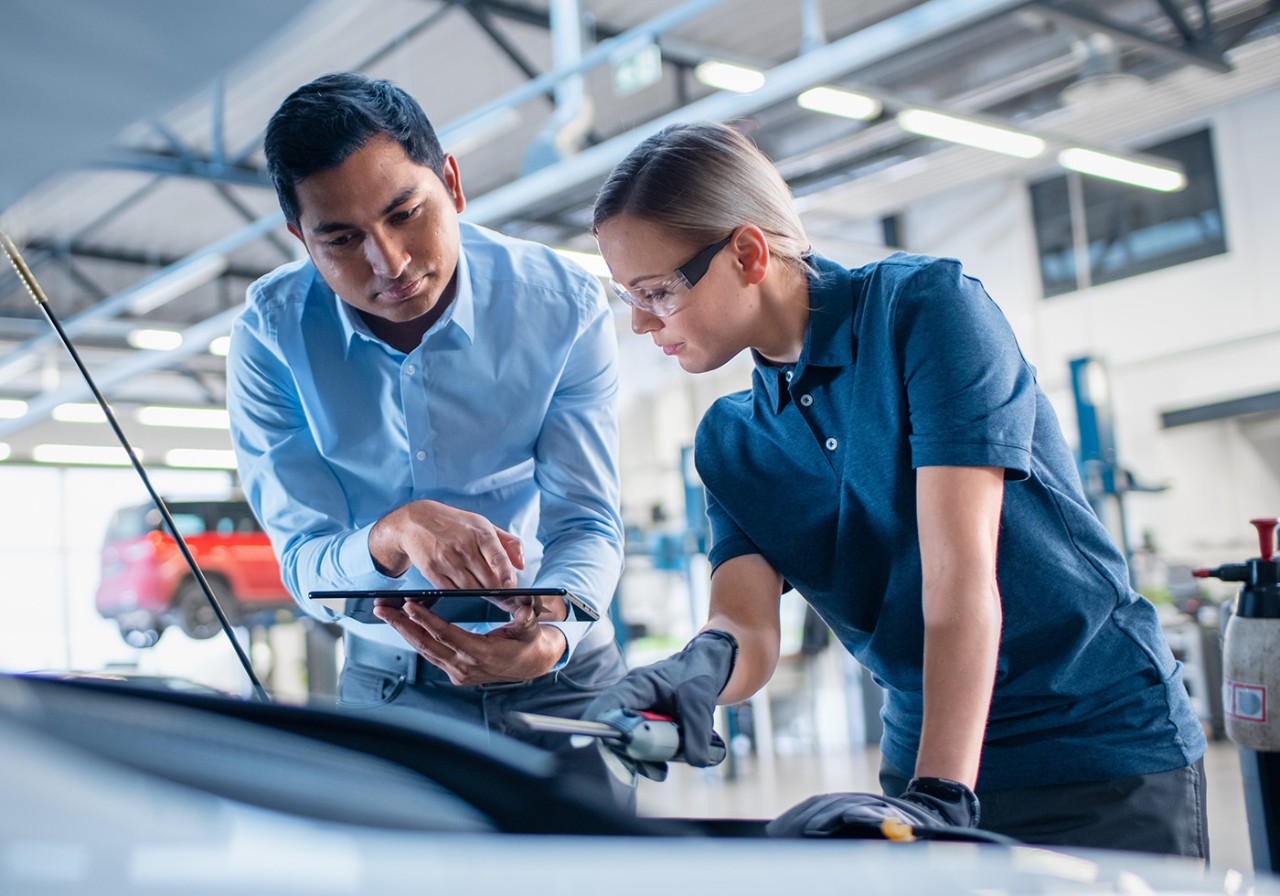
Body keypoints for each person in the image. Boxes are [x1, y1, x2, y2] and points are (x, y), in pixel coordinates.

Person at [586, 120, 1208, 856]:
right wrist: (693, 671)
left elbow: (957, 577)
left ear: (748, 252)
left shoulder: (925, 312)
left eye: (655, 291)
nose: (638, 322)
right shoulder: (733, 441)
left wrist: (941, 794)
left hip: (1094, 753)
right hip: (921, 762)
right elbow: (747, 628)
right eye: (628, 296)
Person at [225, 72, 630, 805]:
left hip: (563, 677)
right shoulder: (271, 339)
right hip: (392, 688)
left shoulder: (562, 306)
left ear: (452, 182)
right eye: (341, 239)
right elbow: (304, 561)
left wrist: (550, 634)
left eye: (406, 213)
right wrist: (390, 535)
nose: (390, 262)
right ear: (300, 238)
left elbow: (588, 522)